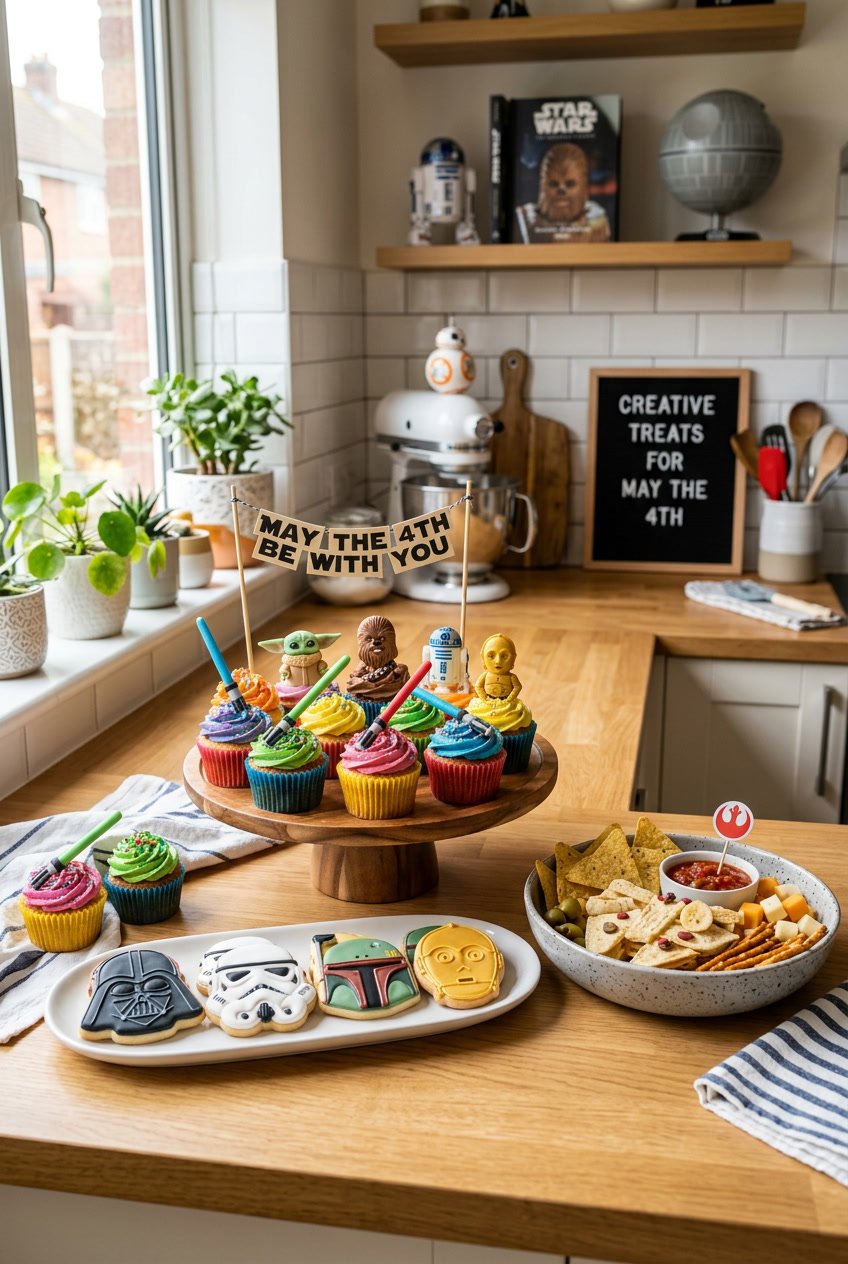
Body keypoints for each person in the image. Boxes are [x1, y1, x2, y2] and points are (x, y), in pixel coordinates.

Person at [516, 142, 610, 243]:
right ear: (542, 187)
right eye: (553, 184)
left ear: (584, 188)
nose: (561, 191)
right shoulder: (523, 219)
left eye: (570, 184)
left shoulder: (598, 222)